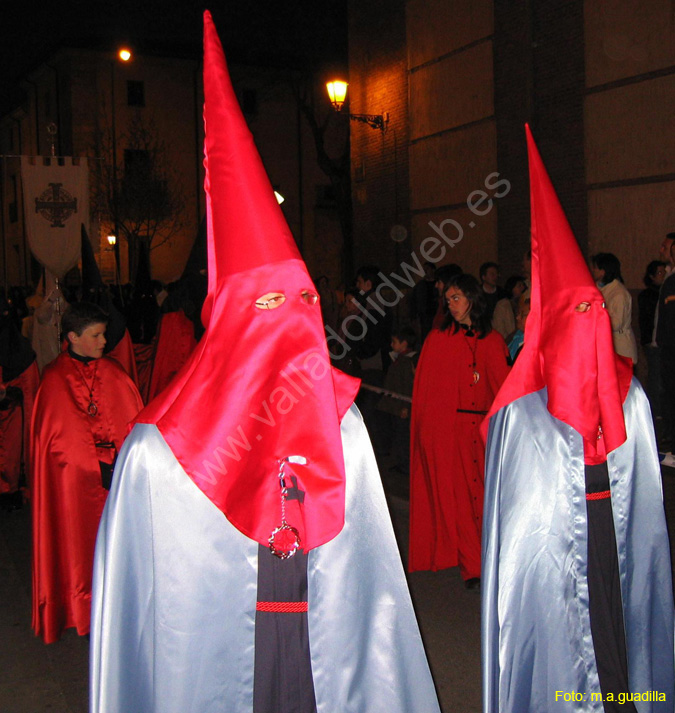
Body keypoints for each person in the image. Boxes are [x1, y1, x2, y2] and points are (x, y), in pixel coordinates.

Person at [89, 14, 441, 713]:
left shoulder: (343, 433)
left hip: (323, 663)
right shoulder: (155, 455)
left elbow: (375, 603)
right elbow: (138, 632)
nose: (291, 322)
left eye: (302, 299)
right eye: (270, 301)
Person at [482, 126, 674, 713]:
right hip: (557, 554)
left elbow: (644, 504)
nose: (590, 322)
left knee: (616, 636)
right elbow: (516, 536)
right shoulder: (521, 412)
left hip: (613, 539)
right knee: (562, 639)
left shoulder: (631, 397)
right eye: (577, 313)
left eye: (595, 309)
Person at [31, 301, 143, 643]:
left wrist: (122, 463)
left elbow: (136, 427)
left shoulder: (113, 372)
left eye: (104, 334)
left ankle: (123, 608)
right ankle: (80, 610)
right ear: (72, 338)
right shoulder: (53, 380)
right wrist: (95, 467)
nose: (103, 342)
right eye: (95, 335)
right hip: (75, 487)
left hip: (117, 481)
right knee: (77, 547)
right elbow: (58, 443)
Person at [409, 273, 510, 588]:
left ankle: (492, 556)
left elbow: (505, 388)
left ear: (472, 299)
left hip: (483, 431)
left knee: (486, 496)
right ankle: (473, 565)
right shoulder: (438, 340)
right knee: (462, 499)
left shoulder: (493, 341)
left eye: (456, 298)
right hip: (451, 433)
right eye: (448, 299)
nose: (451, 304)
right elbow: (429, 394)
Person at [376, 325, 419, 473]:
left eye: (394, 341)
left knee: (403, 436)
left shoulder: (407, 363)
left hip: (402, 406)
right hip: (396, 405)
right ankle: (400, 462)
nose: (391, 345)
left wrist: (405, 407)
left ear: (404, 343)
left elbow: (407, 387)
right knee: (398, 434)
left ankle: (405, 464)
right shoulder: (400, 359)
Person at [591, 252, 638, 364]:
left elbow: (617, 323)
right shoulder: (597, 289)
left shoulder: (618, 293)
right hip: (606, 344)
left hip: (620, 346)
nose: (592, 271)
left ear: (603, 271)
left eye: (595, 268)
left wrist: (598, 317)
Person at [638, 260, 666, 418]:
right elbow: (647, 321)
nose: (662, 276)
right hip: (652, 342)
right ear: (652, 276)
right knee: (655, 378)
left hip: (659, 341)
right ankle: (655, 411)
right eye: (659, 273)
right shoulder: (648, 295)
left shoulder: (665, 291)